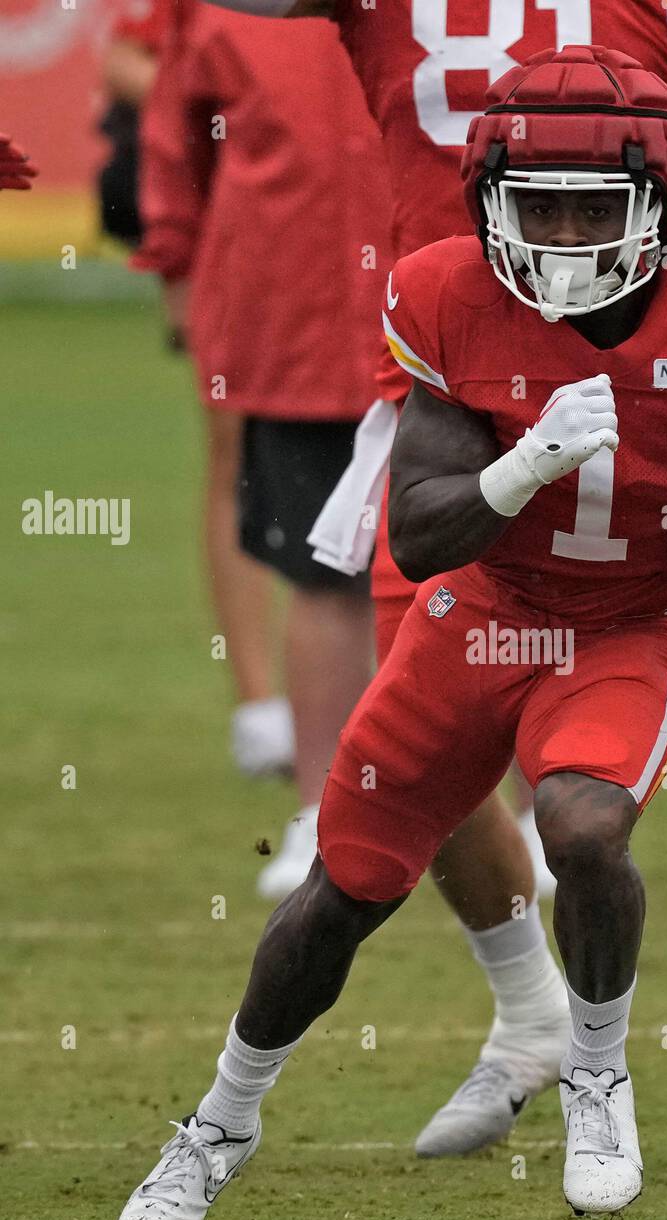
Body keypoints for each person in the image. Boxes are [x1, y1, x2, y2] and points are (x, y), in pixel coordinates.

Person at [116, 46, 667, 1220]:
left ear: (656, 205)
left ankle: (594, 1076)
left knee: (582, 824)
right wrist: (521, 462)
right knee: (340, 889)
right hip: (478, 613)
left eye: (593, 205)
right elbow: (421, 536)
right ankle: (219, 1123)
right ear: (488, 207)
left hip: (633, 620)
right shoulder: (446, 295)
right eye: (536, 208)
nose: (565, 235)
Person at [133, 3, 391, 891]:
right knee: (322, 581)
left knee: (485, 580)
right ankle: (322, 813)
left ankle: (527, 820)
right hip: (299, 334)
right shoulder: (226, 11)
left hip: (441, 329)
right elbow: (175, 142)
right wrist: (173, 262)